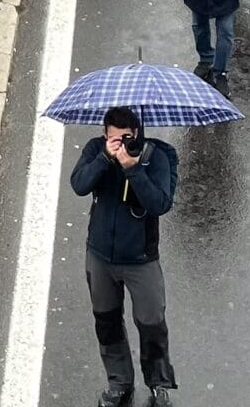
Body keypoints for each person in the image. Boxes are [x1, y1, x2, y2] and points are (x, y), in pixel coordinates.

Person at [70, 105, 180, 407]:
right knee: (106, 321)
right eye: (114, 138)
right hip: (100, 255)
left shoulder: (159, 156)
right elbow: (79, 184)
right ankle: (119, 381)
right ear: (105, 135)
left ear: (138, 134)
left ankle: (159, 384)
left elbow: (160, 203)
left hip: (141, 259)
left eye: (128, 137)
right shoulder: (96, 150)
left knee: (152, 321)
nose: (121, 144)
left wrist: (133, 167)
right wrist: (106, 158)